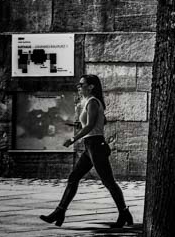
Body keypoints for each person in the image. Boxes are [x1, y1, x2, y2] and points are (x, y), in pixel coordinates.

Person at [39, 74, 133, 228]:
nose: (79, 87)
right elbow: (97, 122)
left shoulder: (92, 102)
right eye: (79, 84)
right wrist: (76, 124)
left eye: (82, 84)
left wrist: (72, 139)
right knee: (73, 177)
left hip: (96, 146)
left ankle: (124, 212)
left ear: (91, 86)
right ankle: (59, 212)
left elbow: (90, 126)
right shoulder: (89, 102)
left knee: (108, 182)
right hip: (90, 146)